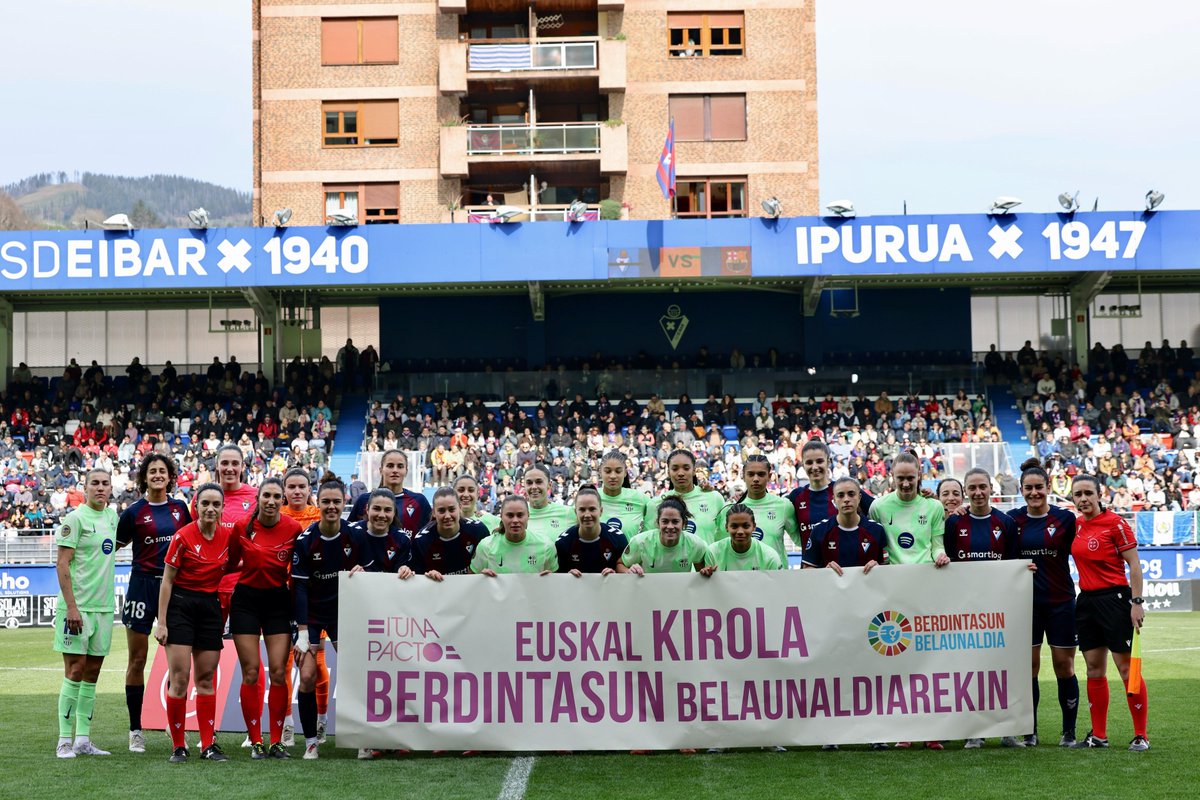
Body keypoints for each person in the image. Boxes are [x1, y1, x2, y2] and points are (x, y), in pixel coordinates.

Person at [801, 476, 888, 751]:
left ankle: (877, 734)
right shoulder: (820, 531)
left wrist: (880, 567)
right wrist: (823, 574)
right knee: (833, 673)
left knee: (872, 673)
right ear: (833, 500)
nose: (847, 499)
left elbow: (890, 575)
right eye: (841, 495)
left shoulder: (875, 531)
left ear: (860, 497)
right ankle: (832, 734)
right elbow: (806, 573)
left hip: (870, 615)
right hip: (833, 616)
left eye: (852, 494)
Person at [291, 474, 374, 759]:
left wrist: (365, 573)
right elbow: (299, 589)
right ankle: (311, 742)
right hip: (312, 617)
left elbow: (371, 574)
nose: (331, 507)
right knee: (307, 676)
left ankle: (363, 738)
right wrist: (302, 633)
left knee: (355, 675)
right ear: (319, 501)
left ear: (344, 502)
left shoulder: (356, 536)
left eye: (336, 502)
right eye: (325, 501)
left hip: (343, 614)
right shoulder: (306, 540)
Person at [945, 467, 1026, 748]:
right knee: (970, 670)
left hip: (998, 609)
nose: (978, 492)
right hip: (965, 610)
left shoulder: (1004, 523)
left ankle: (1008, 730)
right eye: (973, 488)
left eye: (983, 487)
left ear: (991, 488)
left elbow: (1014, 566)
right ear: (966, 491)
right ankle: (974, 731)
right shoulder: (954, 524)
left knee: (1002, 669)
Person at [115, 454, 191, 754]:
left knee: (178, 665)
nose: (158, 475)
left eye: (163, 471)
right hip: (141, 587)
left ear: (170, 476)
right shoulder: (132, 513)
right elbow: (111, 548)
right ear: (144, 477)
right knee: (137, 660)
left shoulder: (180, 509)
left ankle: (177, 734)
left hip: (173, 588)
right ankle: (136, 730)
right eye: (152, 471)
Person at [156, 483, 236, 763]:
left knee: (205, 679)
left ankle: (207, 745)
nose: (211, 509)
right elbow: (166, 580)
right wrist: (162, 622)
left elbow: (240, 562)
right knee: (179, 679)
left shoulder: (229, 536)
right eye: (205, 504)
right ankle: (179, 746)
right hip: (180, 606)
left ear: (222, 507)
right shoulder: (183, 537)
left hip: (209, 607)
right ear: (196, 506)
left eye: (216, 504)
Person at [1069, 474, 1149, 751]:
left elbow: (1135, 565)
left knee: (1127, 669)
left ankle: (1141, 734)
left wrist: (1136, 602)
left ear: (1099, 493)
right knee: (1093, 668)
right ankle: (1099, 736)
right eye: (1077, 494)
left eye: (1088, 493)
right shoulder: (1077, 524)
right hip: (1087, 602)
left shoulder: (1116, 523)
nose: (1083, 499)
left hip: (1115, 600)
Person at [228, 478, 303, 759]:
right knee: (250, 672)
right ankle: (256, 740)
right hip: (245, 602)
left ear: (282, 500)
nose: (271, 501)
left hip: (277, 603)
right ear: (258, 498)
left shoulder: (293, 528)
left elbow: (297, 570)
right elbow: (231, 563)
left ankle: (277, 741)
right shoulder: (241, 527)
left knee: (279, 672)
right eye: (266, 496)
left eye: (276, 497)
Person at [1010, 458, 1080, 747]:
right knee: (1029, 667)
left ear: (1048, 487)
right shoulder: (1011, 520)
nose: (1034, 492)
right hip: (1027, 605)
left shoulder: (1065, 519)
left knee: (1064, 666)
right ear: (1021, 489)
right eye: (1028, 488)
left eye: (1039, 487)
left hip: (1061, 601)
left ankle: (1069, 732)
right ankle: (1031, 731)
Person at [53, 468, 120, 759]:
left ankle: (83, 739)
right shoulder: (75, 519)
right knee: (75, 671)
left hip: (104, 609)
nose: (101, 488)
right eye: (95, 483)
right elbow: (62, 564)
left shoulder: (112, 517)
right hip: (77, 610)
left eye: (105, 483)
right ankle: (64, 741)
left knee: (92, 674)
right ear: (85, 487)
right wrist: (71, 607)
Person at [278, 467, 323, 748]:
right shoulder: (275, 514)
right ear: (284, 490)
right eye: (291, 486)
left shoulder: (320, 516)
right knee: (281, 663)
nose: (296, 491)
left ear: (309, 490)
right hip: (282, 595)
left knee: (317, 663)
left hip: (315, 598)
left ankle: (321, 720)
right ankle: (286, 723)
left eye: (301, 487)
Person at [787, 439, 873, 551]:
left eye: (819, 461)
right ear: (803, 465)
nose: (814, 467)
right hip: (810, 566)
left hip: (845, 566)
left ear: (828, 462)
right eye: (809, 462)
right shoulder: (796, 496)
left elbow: (878, 510)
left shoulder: (846, 489)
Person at [869, 451, 948, 567]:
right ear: (892, 475)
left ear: (919, 475)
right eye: (900, 478)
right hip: (892, 577)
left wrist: (940, 556)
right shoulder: (878, 507)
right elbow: (875, 547)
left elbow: (937, 547)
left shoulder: (934, 506)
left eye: (910, 478)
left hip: (925, 574)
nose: (905, 484)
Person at [719, 454, 798, 566]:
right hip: (742, 578)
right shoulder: (730, 509)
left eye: (761, 474)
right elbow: (721, 548)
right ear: (743, 476)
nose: (756, 479)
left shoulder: (784, 506)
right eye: (751, 474)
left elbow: (800, 540)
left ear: (769, 476)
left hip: (776, 577)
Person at [404, 487, 491, 580]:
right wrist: (427, 577)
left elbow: (492, 562)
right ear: (433, 512)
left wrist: (487, 571)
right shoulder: (421, 541)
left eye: (452, 509)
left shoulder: (478, 531)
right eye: (441, 511)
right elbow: (417, 578)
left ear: (460, 508)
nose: (447, 516)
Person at [642, 450, 722, 545]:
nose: (680, 473)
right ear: (668, 472)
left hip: (706, 560)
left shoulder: (714, 498)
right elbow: (649, 543)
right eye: (675, 469)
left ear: (694, 471)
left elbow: (724, 538)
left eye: (686, 468)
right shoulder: (655, 504)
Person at [622, 496, 716, 575]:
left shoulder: (696, 544)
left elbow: (701, 573)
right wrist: (629, 571)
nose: (670, 526)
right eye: (665, 521)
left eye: (675, 521)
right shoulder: (640, 542)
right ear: (658, 523)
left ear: (684, 523)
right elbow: (620, 564)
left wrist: (705, 572)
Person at [348, 449, 431, 537]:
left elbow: (430, 535)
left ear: (406, 471)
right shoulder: (364, 500)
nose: (395, 470)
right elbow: (349, 534)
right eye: (390, 466)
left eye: (400, 466)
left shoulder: (419, 501)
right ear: (381, 470)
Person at [471, 495, 558, 575]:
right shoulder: (486, 546)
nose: (515, 520)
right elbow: (471, 580)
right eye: (510, 515)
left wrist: (551, 579)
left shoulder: (546, 546)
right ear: (501, 516)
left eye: (520, 515)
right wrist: (481, 578)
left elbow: (556, 583)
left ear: (528, 515)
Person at [556, 486, 628, 575]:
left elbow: (625, 570)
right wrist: (567, 576)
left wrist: (615, 573)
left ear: (601, 511)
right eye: (582, 510)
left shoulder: (618, 538)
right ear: (575, 512)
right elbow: (557, 577)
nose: (587, 514)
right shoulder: (563, 542)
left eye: (592, 509)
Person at [709, 502, 785, 572]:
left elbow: (777, 585)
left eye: (746, 526)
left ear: (754, 527)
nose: (740, 532)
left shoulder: (770, 557)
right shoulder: (713, 552)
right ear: (726, 527)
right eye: (734, 526)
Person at [355, 487, 412, 573]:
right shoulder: (352, 533)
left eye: (387, 510)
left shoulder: (402, 540)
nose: (382, 515)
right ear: (367, 509)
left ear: (394, 513)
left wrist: (404, 570)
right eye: (377, 509)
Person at [597, 450, 650, 536]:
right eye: (607, 471)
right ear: (600, 472)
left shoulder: (639, 499)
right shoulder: (590, 497)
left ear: (625, 473)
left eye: (618, 471)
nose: (613, 476)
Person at [522, 463, 575, 542]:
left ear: (549, 485)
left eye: (539, 482)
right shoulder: (517, 516)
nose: (534, 487)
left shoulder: (568, 513)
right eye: (529, 483)